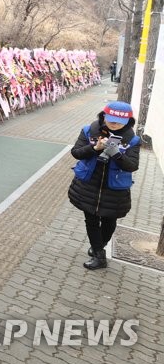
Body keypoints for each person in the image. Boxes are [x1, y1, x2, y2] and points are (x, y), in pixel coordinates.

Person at [68, 101, 140, 270]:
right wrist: (94, 148)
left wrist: (117, 154)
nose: (114, 123)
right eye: (111, 119)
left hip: (114, 188)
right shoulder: (89, 130)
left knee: (109, 220)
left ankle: (99, 244)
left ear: (128, 121)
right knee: (91, 219)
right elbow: (76, 153)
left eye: (119, 121)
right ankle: (100, 255)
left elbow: (132, 166)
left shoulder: (133, 140)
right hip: (89, 184)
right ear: (104, 115)